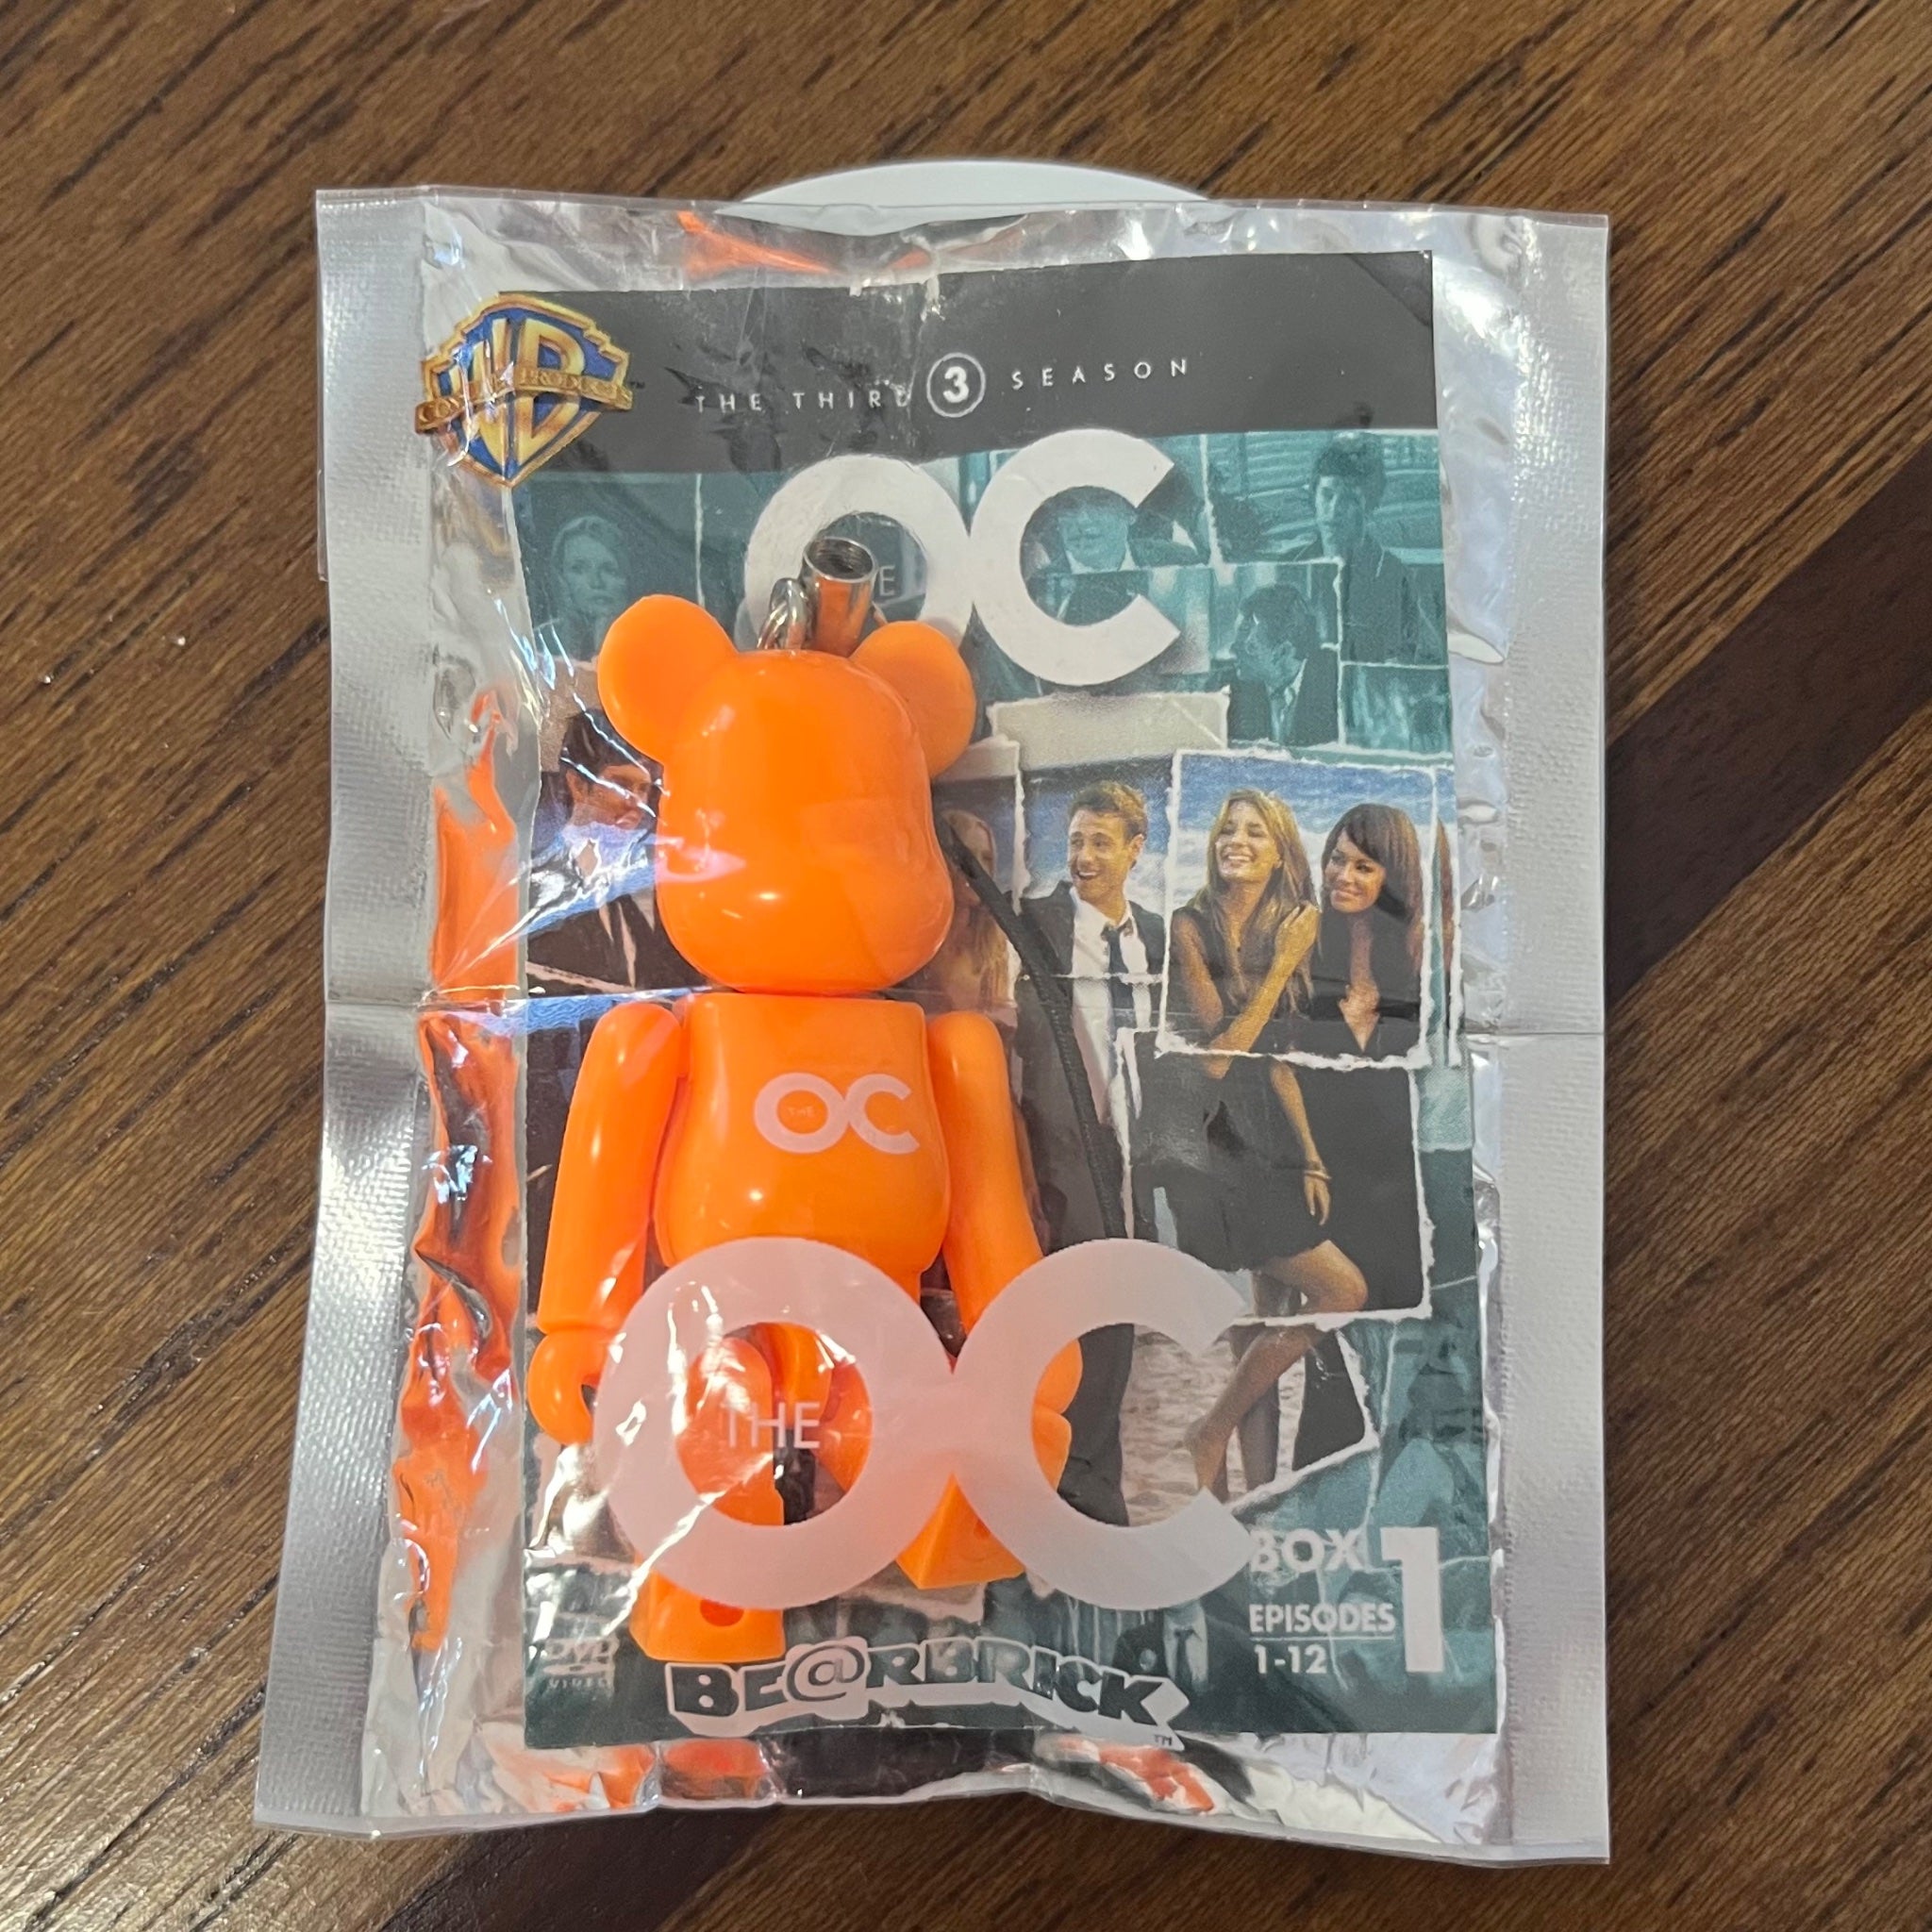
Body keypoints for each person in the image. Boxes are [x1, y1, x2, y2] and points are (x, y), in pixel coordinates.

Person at [1161, 791, 1368, 1499]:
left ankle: (1252, 1495)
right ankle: (1209, 1428)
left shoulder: (1286, 925)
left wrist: (1310, 1156)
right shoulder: (1190, 926)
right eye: (1228, 828)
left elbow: (1275, 1060)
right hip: (1215, 1146)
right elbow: (1221, 1060)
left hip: (1270, 1139)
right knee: (1343, 1290)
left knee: (1263, 1326)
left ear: (1280, 852)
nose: (1236, 840)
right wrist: (1282, 966)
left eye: (1255, 831)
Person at [1014, 780, 1165, 1526]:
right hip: (1057, 1145)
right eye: (1075, 841)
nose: (1083, 857)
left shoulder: (1159, 936)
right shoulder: (1033, 924)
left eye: (1101, 843)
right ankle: (1078, 1483)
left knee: (1118, 1312)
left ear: (1136, 850)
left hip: (1136, 1148)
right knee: (1080, 1313)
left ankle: (1090, 1481)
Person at [1293, 802, 1429, 1313]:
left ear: (1393, 877)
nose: (1342, 876)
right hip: (1323, 1172)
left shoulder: (1419, 961)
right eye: (1336, 858)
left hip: (1398, 1178)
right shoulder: (1304, 947)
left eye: (1363, 866)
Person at [526, 713, 694, 999]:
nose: (637, 803)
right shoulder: (530, 886)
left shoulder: (652, 886)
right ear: (578, 786)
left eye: (644, 788)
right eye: (622, 785)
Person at [1296, 437, 1444, 666]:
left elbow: (1428, 661)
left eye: (1348, 499)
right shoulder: (1293, 567)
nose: (1334, 510)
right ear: (1313, 496)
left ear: (1370, 505)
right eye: (1327, 495)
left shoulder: (1396, 577)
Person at [908, 809, 1015, 1028]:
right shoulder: (913, 943)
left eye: (986, 858)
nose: (978, 870)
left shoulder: (997, 944)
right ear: (942, 860)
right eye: (966, 858)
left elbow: (1008, 1020)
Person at [1216, 581, 1337, 746]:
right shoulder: (1230, 691)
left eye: (1250, 647)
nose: (1233, 651)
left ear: (1284, 651)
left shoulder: (1335, 688)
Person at [547, 513, 633, 660]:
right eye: (579, 569)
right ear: (562, 578)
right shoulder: (540, 644)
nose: (596, 583)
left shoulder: (657, 643)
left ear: (626, 576)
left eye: (609, 570)